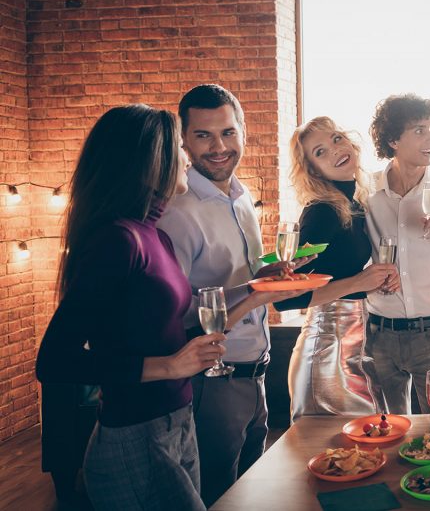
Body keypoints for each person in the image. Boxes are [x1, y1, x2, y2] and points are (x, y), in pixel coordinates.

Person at [35, 104, 225, 511]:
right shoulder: (119, 240)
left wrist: (261, 292)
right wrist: (170, 367)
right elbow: (53, 361)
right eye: (179, 146)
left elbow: (165, 333)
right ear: (150, 161)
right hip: (135, 437)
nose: (188, 158)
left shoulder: (156, 236)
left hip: (180, 421)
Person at [158, 84, 311, 506]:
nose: (218, 147)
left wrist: (266, 275)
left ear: (243, 130)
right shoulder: (179, 211)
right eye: (203, 135)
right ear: (184, 140)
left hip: (255, 373)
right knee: (217, 497)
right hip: (214, 381)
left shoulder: (240, 196)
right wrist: (256, 295)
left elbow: (233, 279)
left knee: (251, 494)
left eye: (227, 132)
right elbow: (178, 317)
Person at [274, 116, 399, 419]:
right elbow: (285, 296)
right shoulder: (322, 211)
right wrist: (359, 282)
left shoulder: (352, 204)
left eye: (336, 139)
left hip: (354, 345)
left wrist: (376, 280)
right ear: (313, 170)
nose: (334, 150)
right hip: (327, 353)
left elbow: (338, 271)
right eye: (320, 152)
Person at [363, 95, 430, 414]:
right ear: (393, 139)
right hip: (380, 334)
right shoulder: (365, 192)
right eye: (420, 130)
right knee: (389, 437)